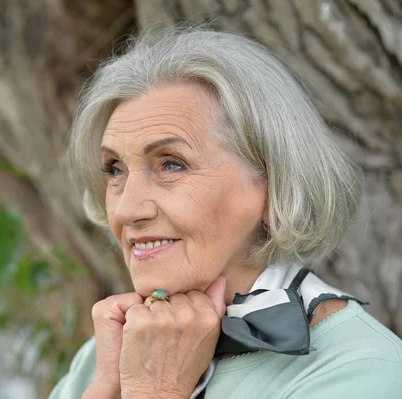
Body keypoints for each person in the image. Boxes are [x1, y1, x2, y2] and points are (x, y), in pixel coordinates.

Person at [49, 27, 402, 398]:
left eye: (171, 164)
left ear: (271, 183)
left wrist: (155, 390)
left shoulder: (361, 371)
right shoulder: (107, 354)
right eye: (115, 170)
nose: (126, 209)